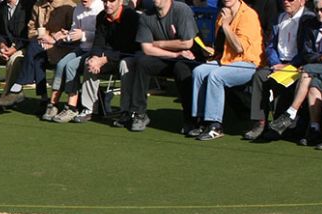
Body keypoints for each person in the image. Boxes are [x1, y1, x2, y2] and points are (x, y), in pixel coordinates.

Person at [114, 0, 198, 132]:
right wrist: (174, 54)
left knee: (181, 69)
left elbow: (187, 43)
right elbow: (147, 49)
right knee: (142, 62)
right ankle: (139, 113)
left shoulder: (182, 10)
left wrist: (158, 44)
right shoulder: (146, 16)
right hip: (168, 57)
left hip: (188, 57)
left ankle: (190, 119)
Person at [184, 0, 263, 140]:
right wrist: (210, 52)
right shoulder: (223, 13)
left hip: (248, 63)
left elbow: (239, 48)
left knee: (216, 76)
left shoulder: (248, 15)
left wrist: (226, 25)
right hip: (226, 60)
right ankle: (201, 121)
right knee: (199, 72)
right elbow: (221, 45)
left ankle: (215, 125)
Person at [54, 0, 139, 123]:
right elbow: (98, 42)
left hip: (126, 55)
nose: (107, 4)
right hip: (107, 55)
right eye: (105, 1)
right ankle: (89, 109)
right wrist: (95, 58)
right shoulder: (101, 16)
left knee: (125, 65)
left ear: (120, 2)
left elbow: (129, 47)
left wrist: (104, 58)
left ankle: (126, 111)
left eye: (112, 1)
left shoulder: (130, 16)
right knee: (90, 62)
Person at [244, 0, 315, 140]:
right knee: (260, 76)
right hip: (278, 64)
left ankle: (287, 125)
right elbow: (270, 45)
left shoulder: (309, 19)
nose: (286, 2)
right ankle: (260, 122)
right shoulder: (279, 17)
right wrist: (275, 63)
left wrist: (291, 65)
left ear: (302, 1)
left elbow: (307, 50)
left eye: (290, 0)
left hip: (298, 66)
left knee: (291, 82)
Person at [0, 0, 76, 112]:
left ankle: (19, 87)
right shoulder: (38, 5)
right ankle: (43, 98)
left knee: (34, 51)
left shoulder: (69, 6)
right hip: (40, 45)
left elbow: (73, 32)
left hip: (63, 47)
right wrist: (42, 38)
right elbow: (31, 28)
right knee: (36, 52)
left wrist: (53, 39)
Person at [268, 0, 322, 145]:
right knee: (314, 84)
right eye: (316, 10)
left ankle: (291, 113)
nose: (319, 13)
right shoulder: (311, 25)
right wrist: (321, 57)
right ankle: (314, 129)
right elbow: (307, 53)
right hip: (318, 69)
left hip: (315, 68)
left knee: (306, 70)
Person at [43, 0, 104, 122]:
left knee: (71, 66)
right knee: (61, 65)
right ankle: (53, 104)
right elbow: (74, 29)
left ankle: (71, 107)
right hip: (82, 47)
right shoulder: (78, 8)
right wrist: (66, 36)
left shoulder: (100, 8)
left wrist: (83, 35)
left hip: (95, 50)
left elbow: (101, 35)